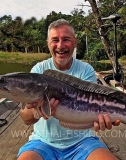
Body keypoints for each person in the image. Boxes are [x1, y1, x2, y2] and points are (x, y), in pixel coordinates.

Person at [17, 19, 120, 160]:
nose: (60, 45)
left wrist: (103, 119)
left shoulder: (86, 70)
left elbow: (92, 106)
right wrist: (36, 111)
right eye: (55, 40)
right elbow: (26, 119)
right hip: (42, 142)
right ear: (48, 43)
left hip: (83, 141)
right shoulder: (38, 70)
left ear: (75, 42)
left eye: (66, 39)